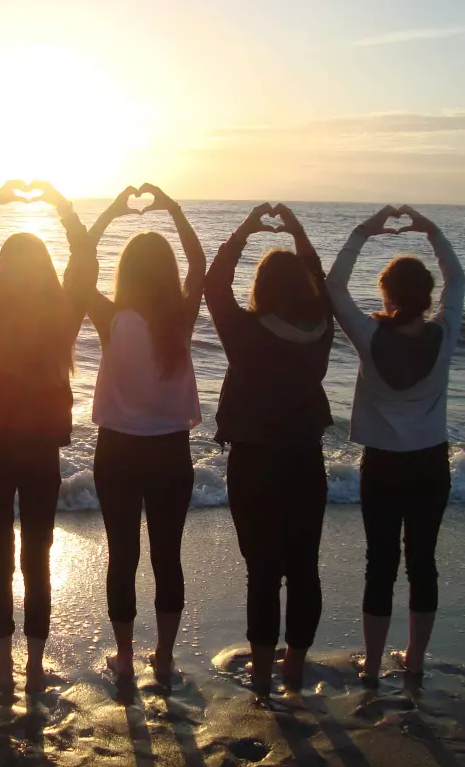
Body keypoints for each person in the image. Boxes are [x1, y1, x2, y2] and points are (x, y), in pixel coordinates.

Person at [0, 179, 96, 694]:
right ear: (45, 273)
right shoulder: (59, 319)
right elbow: (86, 262)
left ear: (3, 272)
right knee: (37, 556)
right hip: (39, 453)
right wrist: (62, 207)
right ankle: (32, 666)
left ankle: (5, 666)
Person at [326, 204, 464, 688]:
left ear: (385, 293)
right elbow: (458, 281)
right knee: (422, 560)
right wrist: (432, 232)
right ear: (427, 296)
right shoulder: (444, 333)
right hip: (430, 464)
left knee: (380, 562)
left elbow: (334, 287)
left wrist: (365, 229)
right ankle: (417, 661)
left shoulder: (369, 334)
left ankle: (372, 659)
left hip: (382, 466)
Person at [204, 203, 334, 699]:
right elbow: (320, 280)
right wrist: (299, 232)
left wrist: (243, 230)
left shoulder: (245, 334)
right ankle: (294, 669)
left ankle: (261, 674)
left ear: (261, 289)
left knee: (262, 569)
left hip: (254, 463)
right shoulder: (320, 331)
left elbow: (214, 287)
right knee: (304, 566)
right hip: (305, 461)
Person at [85, 184, 204, 684]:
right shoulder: (178, 319)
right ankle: (166, 656)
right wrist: (173, 208)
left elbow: (78, 267)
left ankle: (127, 658)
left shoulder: (112, 318)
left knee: (123, 557)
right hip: (171, 452)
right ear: (166, 274)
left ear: (126, 273)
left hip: (117, 451)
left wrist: (112, 211)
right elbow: (199, 266)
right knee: (167, 557)